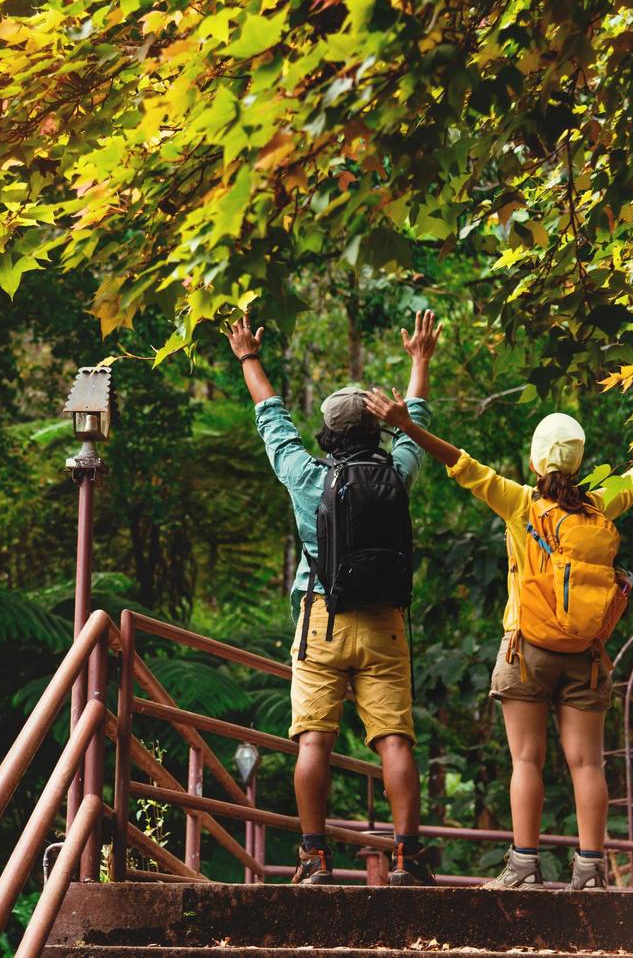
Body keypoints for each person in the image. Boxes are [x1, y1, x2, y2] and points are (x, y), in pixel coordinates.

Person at [362, 389, 633, 890]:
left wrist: (407, 426)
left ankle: (524, 866)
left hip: (527, 651)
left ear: (534, 458)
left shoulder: (521, 504)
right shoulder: (602, 506)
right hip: (586, 656)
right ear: (580, 460)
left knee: (526, 759)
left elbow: (461, 463)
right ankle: (591, 869)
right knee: (587, 762)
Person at [224, 309, 441, 887]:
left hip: (322, 617)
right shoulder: (397, 471)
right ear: (375, 428)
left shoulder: (305, 475)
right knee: (393, 737)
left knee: (314, 740)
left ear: (328, 433)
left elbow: (271, 418)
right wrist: (419, 360)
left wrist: (249, 355)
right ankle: (407, 858)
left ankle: (315, 858)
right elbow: (415, 420)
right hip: (385, 623)